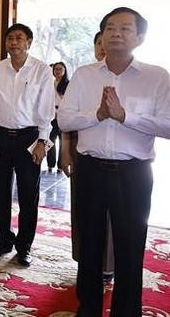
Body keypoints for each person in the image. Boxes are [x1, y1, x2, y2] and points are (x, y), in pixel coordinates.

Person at [58, 7, 170, 316]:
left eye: (124, 28)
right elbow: (64, 119)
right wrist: (96, 115)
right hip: (91, 170)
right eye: (109, 28)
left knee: (129, 245)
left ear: (141, 37)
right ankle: (88, 308)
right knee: (90, 245)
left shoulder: (156, 76)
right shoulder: (84, 75)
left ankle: (126, 310)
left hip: (133, 173)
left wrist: (125, 116)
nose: (115, 33)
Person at [0, 23, 54, 266]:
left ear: (29, 42)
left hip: (29, 138)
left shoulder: (41, 71)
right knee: (0, 192)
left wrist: (43, 141)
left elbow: (46, 110)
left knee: (28, 194)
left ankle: (24, 246)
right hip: (1, 137)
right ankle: (3, 240)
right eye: (10, 38)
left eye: (19, 38)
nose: (13, 42)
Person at [61, 31, 115, 282]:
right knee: (84, 211)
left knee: (112, 215)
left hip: (116, 157)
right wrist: (65, 153)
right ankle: (85, 260)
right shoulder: (84, 76)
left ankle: (109, 264)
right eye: (98, 43)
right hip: (81, 151)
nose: (103, 47)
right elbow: (66, 120)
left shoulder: (126, 78)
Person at [46, 61, 69, 171]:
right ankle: (50, 164)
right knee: (50, 140)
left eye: (61, 69)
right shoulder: (49, 84)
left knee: (62, 141)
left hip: (63, 115)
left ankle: (60, 165)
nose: (58, 71)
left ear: (64, 71)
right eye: (56, 69)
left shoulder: (68, 84)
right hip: (51, 115)